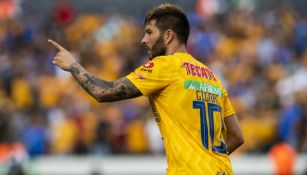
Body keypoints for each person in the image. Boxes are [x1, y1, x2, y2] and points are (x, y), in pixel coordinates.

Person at [48, 3, 244, 175]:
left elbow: (103, 92)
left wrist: (73, 65)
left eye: (149, 32)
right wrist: (207, 163)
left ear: (168, 36)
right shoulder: (213, 77)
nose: (143, 39)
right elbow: (237, 136)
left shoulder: (165, 66)